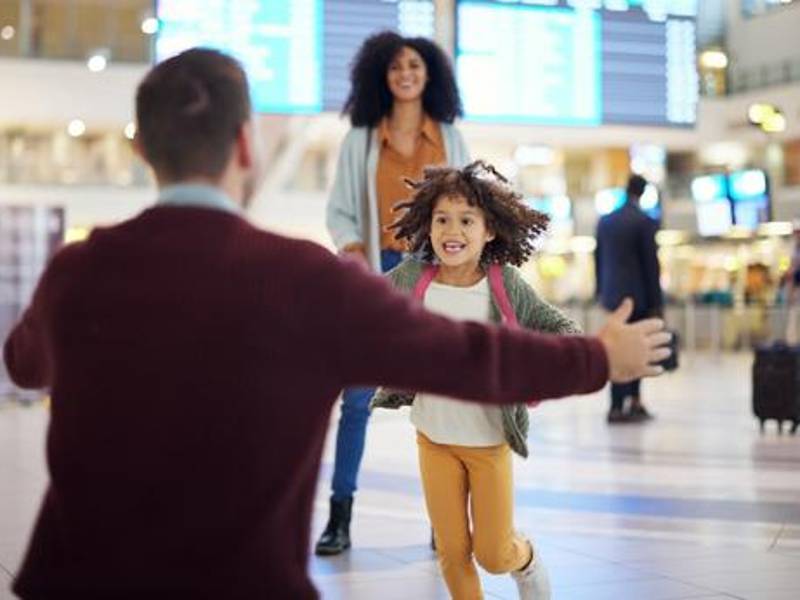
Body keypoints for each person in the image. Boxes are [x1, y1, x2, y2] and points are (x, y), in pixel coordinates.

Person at [3, 48, 670, 599]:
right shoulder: (304, 281)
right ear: (246, 145)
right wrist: (597, 357)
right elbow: (466, 356)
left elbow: (22, 364)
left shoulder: (76, 271)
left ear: (141, 147)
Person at [371, 161, 580, 599]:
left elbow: (560, 327)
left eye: (467, 221)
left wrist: (551, 362)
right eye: (442, 219)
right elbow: (363, 302)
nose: (453, 231)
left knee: (494, 554)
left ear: (489, 231)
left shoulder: (504, 284)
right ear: (428, 226)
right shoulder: (413, 278)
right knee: (452, 552)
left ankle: (527, 559)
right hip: (434, 438)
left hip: (488, 443)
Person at [319, 30, 469, 555]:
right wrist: (355, 254)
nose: (405, 74)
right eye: (396, 67)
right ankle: (339, 516)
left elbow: (468, 207)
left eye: (415, 66)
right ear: (381, 75)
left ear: (430, 75)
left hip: (433, 273)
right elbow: (340, 210)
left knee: (438, 401)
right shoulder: (360, 139)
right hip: (376, 274)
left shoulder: (449, 138)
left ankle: (444, 521)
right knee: (357, 398)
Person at [595, 174, 663, 424]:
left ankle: (617, 405)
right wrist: (656, 302)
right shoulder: (644, 221)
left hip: (612, 296)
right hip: (638, 297)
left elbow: (598, 259)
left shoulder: (606, 221)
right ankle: (632, 401)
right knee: (637, 348)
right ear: (642, 193)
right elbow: (650, 265)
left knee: (616, 347)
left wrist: (600, 291)